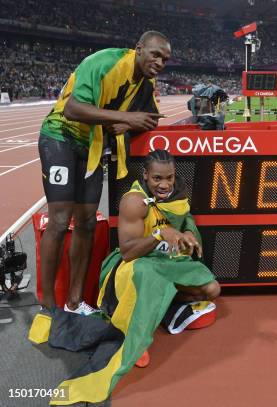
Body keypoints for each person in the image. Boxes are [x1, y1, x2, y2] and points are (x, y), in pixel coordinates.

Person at [39, 150, 219, 405]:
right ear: (145, 176)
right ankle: (136, 332)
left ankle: (165, 310)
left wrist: (188, 232)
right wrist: (159, 235)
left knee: (211, 290)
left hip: (165, 262)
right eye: (157, 178)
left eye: (169, 177)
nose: (165, 184)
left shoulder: (178, 190)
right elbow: (128, 253)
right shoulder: (133, 202)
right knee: (146, 274)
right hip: (133, 266)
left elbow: (185, 216)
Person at [38, 31, 171, 314]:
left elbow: (151, 119)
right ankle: (47, 305)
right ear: (138, 49)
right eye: (155, 54)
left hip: (91, 146)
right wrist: (126, 117)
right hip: (60, 136)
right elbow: (73, 109)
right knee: (60, 221)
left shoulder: (146, 83)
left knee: (86, 222)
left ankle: (74, 303)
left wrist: (128, 125)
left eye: (165, 59)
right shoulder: (103, 62)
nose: (160, 62)